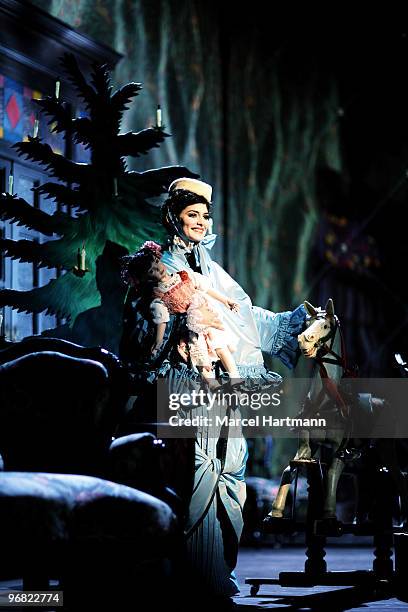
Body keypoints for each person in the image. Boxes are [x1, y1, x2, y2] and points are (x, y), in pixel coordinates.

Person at [120, 177, 306, 601]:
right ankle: (197, 574)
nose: (202, 223)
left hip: (225, 382)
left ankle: (220, 566)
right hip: (189, 380)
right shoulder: (161, 265)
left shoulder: (209, 267)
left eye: (205, 215)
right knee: (200, 473)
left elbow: (242, 313)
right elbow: (148, 326)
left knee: (232, 472)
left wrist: (288, 325)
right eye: (193, 215)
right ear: (173, 218)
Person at [120, 240, 242, 388]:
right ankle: (215, 388)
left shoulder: (184, 276)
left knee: (221, 347)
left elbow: (205, 288)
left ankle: (236, 381)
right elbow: (162, 321)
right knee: (201, 360)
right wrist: (157, 343)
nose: (158, 269)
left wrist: (226, 300)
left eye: (156, 263)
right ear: (146, 278)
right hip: (189, 329)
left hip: (207, 319)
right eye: (151, 271)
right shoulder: (158, 296)